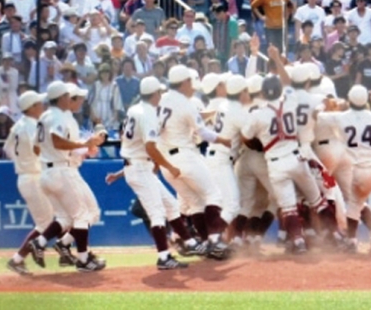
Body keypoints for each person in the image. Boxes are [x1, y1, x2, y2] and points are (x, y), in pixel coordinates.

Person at [242, 46, 339, 254]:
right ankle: (336, 235)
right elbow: (289, 84)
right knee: (318, 201)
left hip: (275, 162)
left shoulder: (257, 114)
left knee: (288, 208)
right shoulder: (291, 102)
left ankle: (298, 241)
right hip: (297, 157)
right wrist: (277, 60)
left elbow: (246, 136)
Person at [106, 76, 205, 270]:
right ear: (154, 94)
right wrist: (169, 166)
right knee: (157, 213)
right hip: (140, 167)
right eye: (159, 92)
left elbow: (134, 148)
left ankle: (192, 244)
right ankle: (163, 257)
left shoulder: (134, 109)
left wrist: (120, 174)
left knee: (171, 205)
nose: (161, 95)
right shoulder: (148, 113)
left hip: (137, 165)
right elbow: (151, 148)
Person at [27, 81, 105, 272]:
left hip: (49, 170)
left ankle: (45, 242)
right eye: (71, 97)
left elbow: (37, 147)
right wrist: (83, 146)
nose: (75, 100)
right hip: (62, 170)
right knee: (83, 214)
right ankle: (83, 259)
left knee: (68, 217)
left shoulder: (46, 116)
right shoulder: (60, 116)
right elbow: (56, 141)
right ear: (63, 98)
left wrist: (79, 148)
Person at [156, 65, 232, 259]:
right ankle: (214, 241)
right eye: (190, 82)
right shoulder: (185, 102)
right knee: (213, 194)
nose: (193, 87)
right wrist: (224, 140)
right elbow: (203, 133)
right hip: (185, 155)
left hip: (167, 161)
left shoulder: (162, 99)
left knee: (195, 203)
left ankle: (206, 243)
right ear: (184, 82)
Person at [317, 85, 371, 255]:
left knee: (354, 206)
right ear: (366, 100)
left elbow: (316, 117)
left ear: (349, 99)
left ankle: (352, 241)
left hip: (360, 169)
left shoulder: (340, 118)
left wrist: (325, 104)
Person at [3, 91, 53, 276]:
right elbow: (41, 149)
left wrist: (20, 161)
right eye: (39, 103)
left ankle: (69, 252)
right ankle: (18, 259)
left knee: (53, 219)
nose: (42, 105)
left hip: (26, 175)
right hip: (33, 176)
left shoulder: (18, 126)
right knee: (45, 223)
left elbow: (7, 148)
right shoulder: (32, 126)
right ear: (31, 107)